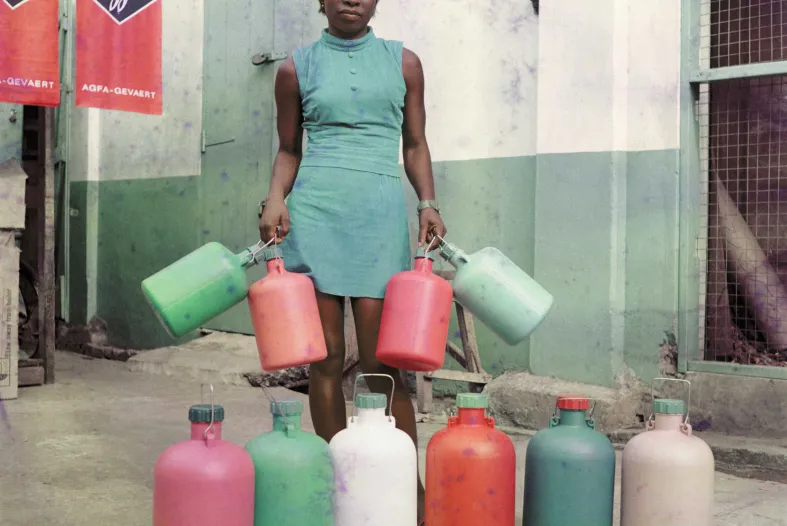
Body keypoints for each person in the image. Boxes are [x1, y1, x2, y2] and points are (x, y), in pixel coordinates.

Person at [258, 0, 446, 521]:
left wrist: (427, 202)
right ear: (320, 1)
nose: (351, 1)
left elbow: (414, 143)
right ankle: (341, 482)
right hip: (316, 212)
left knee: (381, 363)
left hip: (379, 215)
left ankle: (410, 491)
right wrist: (276, 199)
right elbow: (290, 148)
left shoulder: (403, 62)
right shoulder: (296, 67)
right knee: (324, 356)